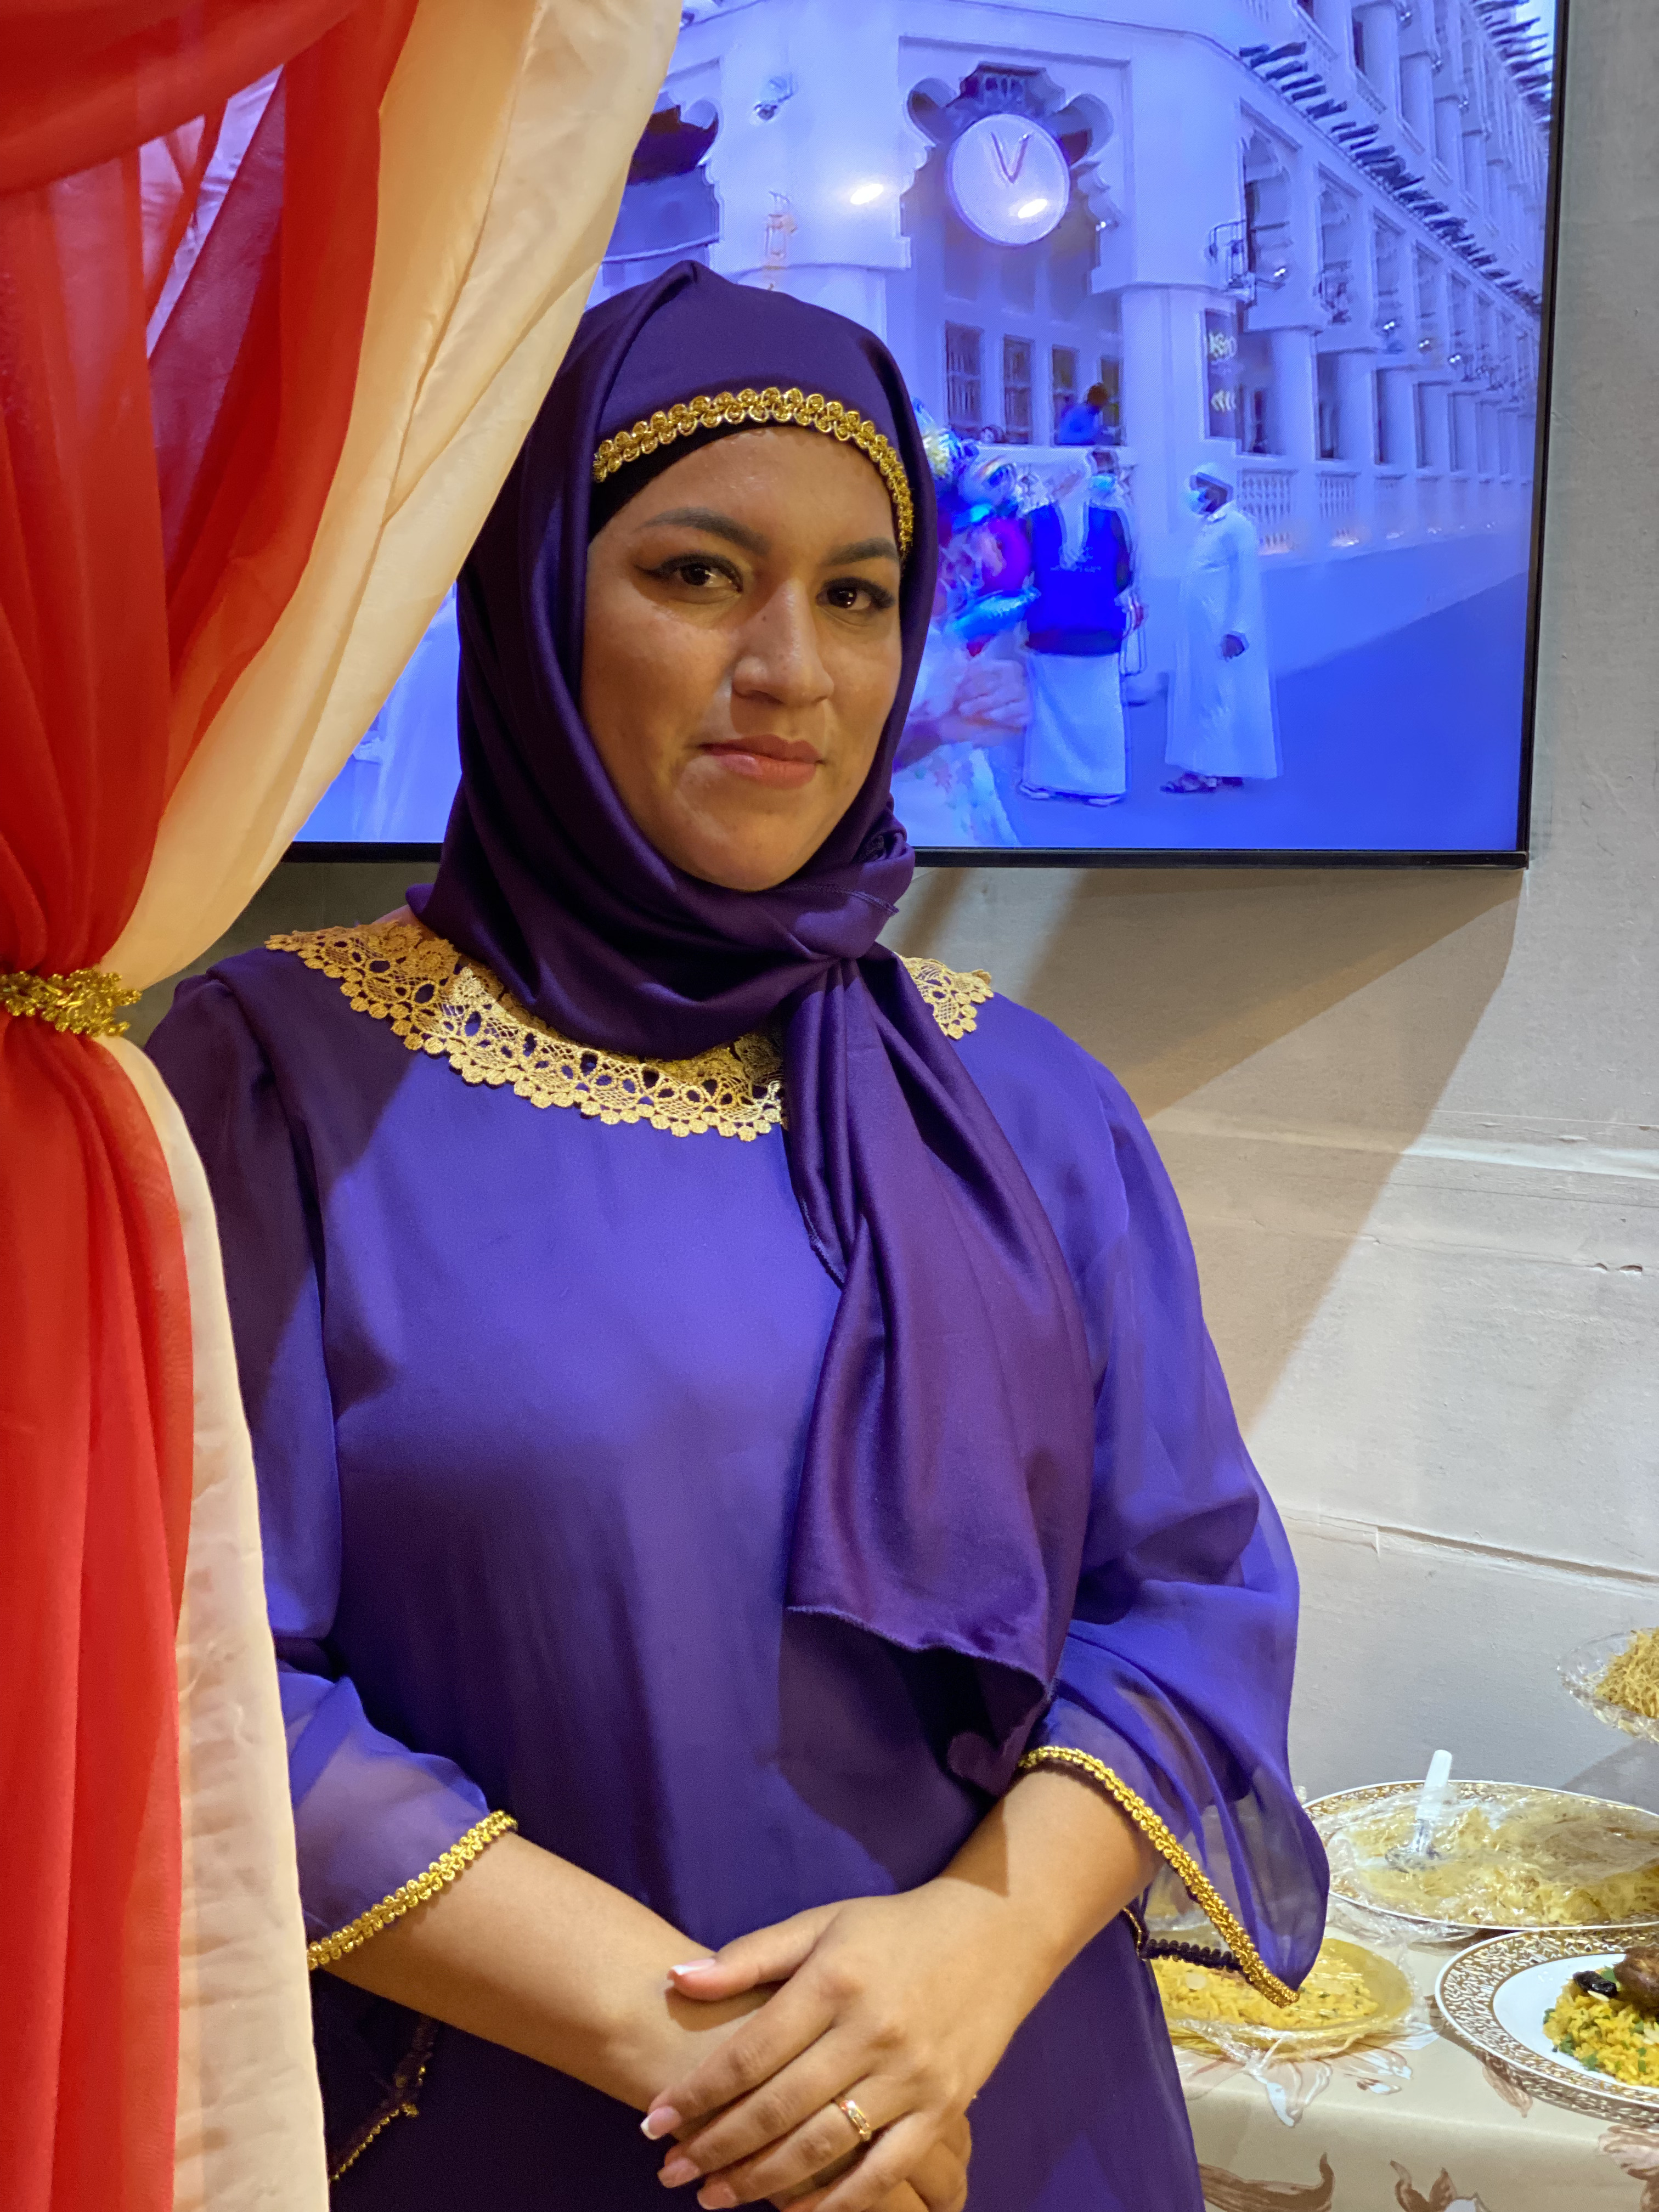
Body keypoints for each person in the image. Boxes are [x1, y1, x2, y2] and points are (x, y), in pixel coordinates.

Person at [148, 263, 1325, 2211]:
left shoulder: (1026, 1103)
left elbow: (1190, 1601)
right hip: (543, 2124)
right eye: (697, 574)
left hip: (1006, 2110)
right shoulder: (276, 1080)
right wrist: (732, 2066)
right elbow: (196, 1673)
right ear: (535, 597)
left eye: (858, 595)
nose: (794, 669)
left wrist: (962, 1971)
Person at [1019, 450, 1139, 806]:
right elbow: (1125, 574)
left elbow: (1018, 573)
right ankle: (1104, 783)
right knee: (1101, 709)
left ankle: (1045, 781)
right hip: (1101, 632)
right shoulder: (1112, 520)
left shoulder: (1033, 521)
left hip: (1049, 631)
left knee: (1049, 714)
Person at [1163, 469, 1280, 796]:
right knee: (1216, 696)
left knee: (1211, 698)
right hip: (1201, 632)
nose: (1195, 494)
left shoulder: (1237, 526)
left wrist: (1238, 630)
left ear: (1218, 488)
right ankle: (1225, 765)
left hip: (1220, 631)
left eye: (1200, 487)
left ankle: (1202, 772)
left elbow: (1248, 581)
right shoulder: (1211, 526)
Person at [1055, 381, 1111, 448]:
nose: (1100, 409)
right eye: (1099, 405)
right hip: (1070, 451)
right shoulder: (1077, 413)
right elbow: (1062, 438)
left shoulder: (1093, 415)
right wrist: (1092, 435)